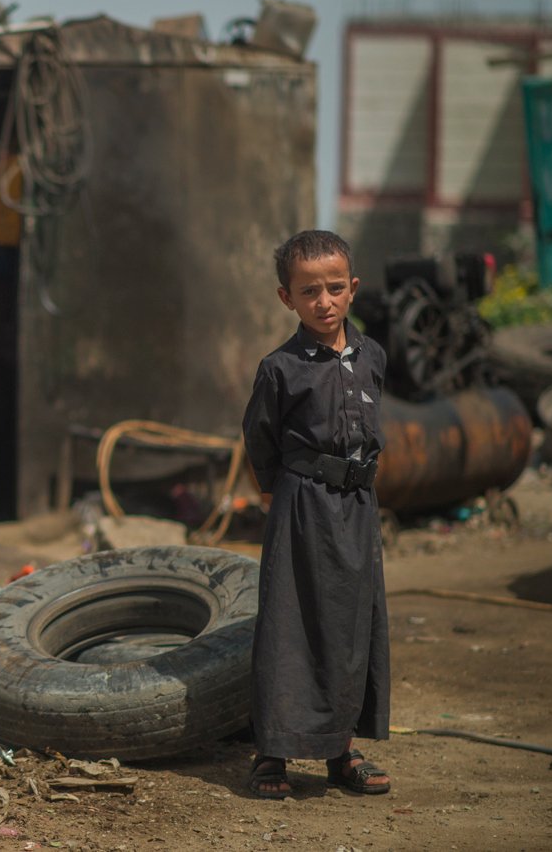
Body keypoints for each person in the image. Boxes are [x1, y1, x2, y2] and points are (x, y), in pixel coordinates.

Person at [240, 229, 391, 799]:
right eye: (308, 292)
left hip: (358, 508)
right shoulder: (280, 368)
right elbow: (260, 439)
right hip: (301, 507)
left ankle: (341, 750)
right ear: (287, 298)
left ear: (352, 288)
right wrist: (282, 495)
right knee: (289, 623)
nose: (323, 302)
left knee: (350, 627)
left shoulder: (372, 355)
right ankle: (271, 754)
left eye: (334, 288)